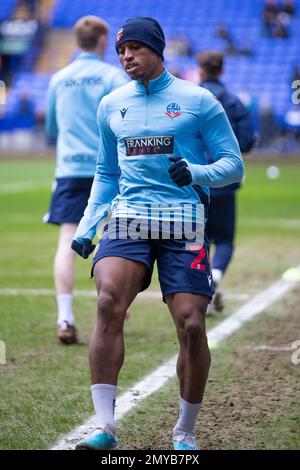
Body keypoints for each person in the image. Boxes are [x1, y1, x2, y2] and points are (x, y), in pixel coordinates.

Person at [71, 17, 244, 450]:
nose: (126, 57)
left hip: (184, 220)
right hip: (129, 217)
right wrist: (88, 227)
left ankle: (185, 431)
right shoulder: (111, 104)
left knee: (191, 325)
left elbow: (233, 164)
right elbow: (105, 173)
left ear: (157, 50)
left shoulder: (199, 100)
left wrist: (196, 172)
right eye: (121, 51)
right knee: (109, 301)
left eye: (135, 49)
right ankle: (105, 429)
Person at [44, 16, 127, 344]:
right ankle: (111, 309)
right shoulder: (112, 76)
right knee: (110, 238)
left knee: (67, 241)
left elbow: (51, 128)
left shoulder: (59, 78)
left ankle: (65, 317)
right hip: (106, 169)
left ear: (77, 41)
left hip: (68, 169)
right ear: (104, 40)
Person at [198, 50, 255, 314]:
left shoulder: (189, 99)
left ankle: (204, 288)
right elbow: (246, 142)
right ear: (222, 70)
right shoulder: (233, 102)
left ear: (200, 70)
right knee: (225, 240)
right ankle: (216, 276)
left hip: (195, 181)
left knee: (200, 239)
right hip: (224, 181)